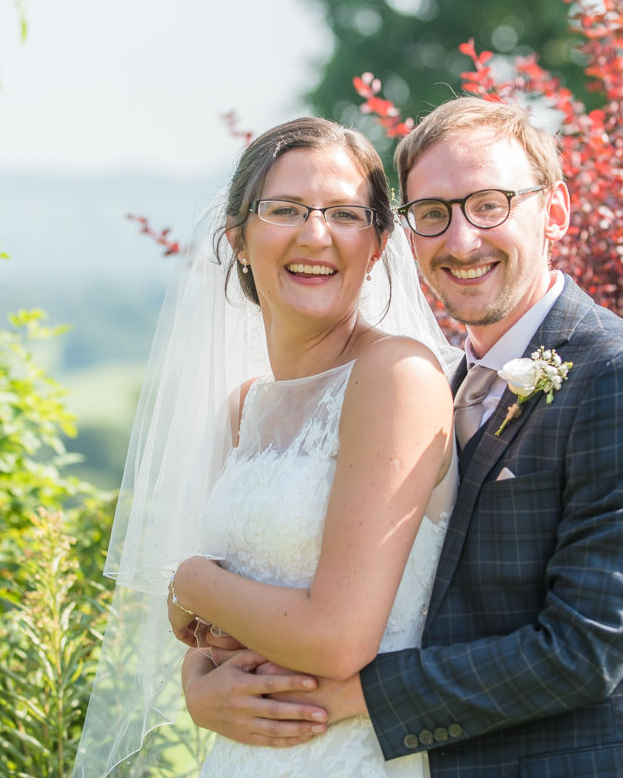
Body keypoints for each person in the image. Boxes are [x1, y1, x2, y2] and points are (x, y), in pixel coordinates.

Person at [183, 96, 623, 776]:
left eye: (489, 204)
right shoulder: (449, 382)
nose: (461, 240)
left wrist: (350, 696)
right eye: (434, 214)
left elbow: (586, 649)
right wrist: (205, 689)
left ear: (555, 211)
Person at [72, 117, 463, 778]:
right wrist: (202, 681)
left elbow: (335, 640)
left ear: (376, 245)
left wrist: (191, 579)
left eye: (344, 213)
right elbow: (215, 619)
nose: (316, 234)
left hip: (356, 756)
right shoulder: (244, 410)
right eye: (285, 210)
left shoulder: (395, 377)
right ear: (239, 239)